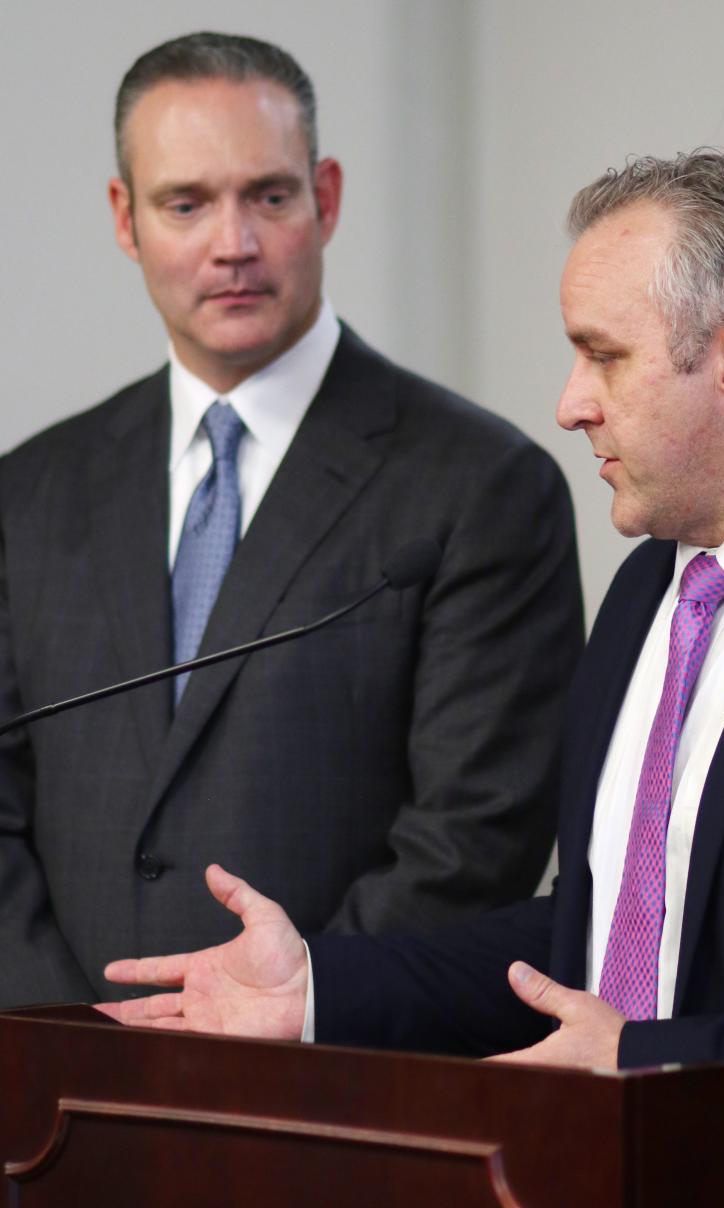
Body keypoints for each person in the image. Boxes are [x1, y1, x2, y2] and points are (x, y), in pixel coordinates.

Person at [99, 151, 724, 1196]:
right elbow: (585, 940)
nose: (569, 404)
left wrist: (649, 1061)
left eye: (603, 356)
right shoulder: (650, 586)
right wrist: (321, 984)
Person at [0, 32, 584, 1011]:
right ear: (124, 217)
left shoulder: (482, 485)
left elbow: (474, 838)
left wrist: (278, 1010)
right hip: (58, 1098)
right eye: (186, 203)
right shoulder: (31, 491)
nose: (234, 243)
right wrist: (70, 1033)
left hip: (335, 1102)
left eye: (268, 196)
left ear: (328, 197)